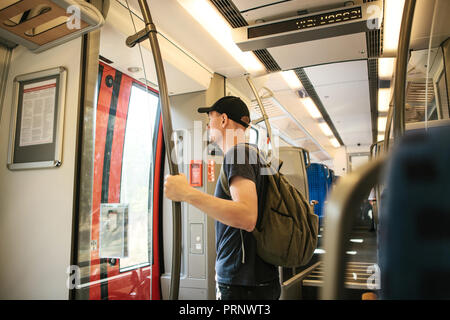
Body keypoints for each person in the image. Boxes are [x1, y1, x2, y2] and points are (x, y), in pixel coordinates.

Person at [164, 96, 280, 300]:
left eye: (211, 118)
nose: (208, 125)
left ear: (224, 119)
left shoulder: (238, 154)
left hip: (242, 284)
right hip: (255, 279)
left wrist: (187, 193)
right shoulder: (253, 154)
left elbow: (247, 217)